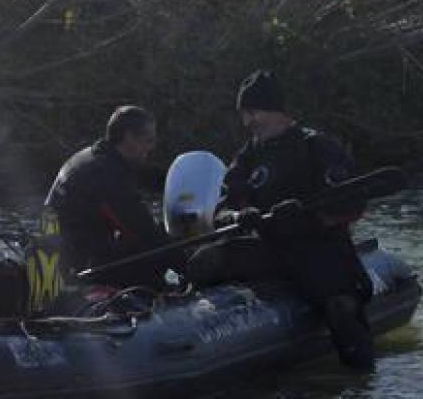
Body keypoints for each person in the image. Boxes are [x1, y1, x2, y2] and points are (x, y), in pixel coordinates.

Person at [186, 71, 377, 369]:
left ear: (276, 111)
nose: (247, 122)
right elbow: (221, 212)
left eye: (252, 113)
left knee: (341, 308)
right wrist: (239, 216)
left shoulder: (317, 147)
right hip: (269, 247)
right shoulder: (249, 155)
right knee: (204, 260)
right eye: (243, 115)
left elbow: (353, 204)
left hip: (318, 248)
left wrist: (310, 216)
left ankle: (360, 378)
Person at [39, 105, 175, 296]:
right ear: (129, 137)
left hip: (69, 251)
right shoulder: (105, 176)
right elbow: (143, 233)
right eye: (148, 140)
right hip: (76, 267)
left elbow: (146, 177)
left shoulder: (98, 157)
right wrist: (187, 257)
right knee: (151, 259)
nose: (151, 147)